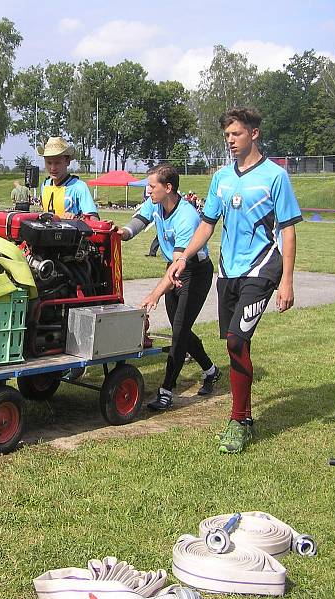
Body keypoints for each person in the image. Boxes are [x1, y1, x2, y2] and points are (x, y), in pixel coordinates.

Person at [166, 107, 302, 454]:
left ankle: (238, 420)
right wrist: (183, 256)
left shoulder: (275, 176)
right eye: (227, 135)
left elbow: (287, 230)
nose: (230, 140)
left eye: (236, 134)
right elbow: (207, 224)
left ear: (254, 134)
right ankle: (247, 413)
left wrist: (287, 280)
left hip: (262, 268)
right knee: (235, 341)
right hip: (228, 271)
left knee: (236, 343)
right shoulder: (221, 178)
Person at [120, 164, 221, 411]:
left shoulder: (187, 216)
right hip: (174, 268)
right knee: (182, 330)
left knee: (179, 332)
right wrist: (118, 232)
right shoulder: (155, 204)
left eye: (152, 186)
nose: (148, 190)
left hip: (193, 271)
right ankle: (211, 370)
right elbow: (137, 223)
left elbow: (179, 264)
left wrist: (155, 294)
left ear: (168, 188)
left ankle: (166, 390)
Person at [37, 137, 99, 219]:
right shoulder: (45, 185)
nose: (53, 168)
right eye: (49, 163)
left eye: (57, 163)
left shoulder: (79, 187)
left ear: (67, 161)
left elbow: (94, 218)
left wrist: (76, 218)